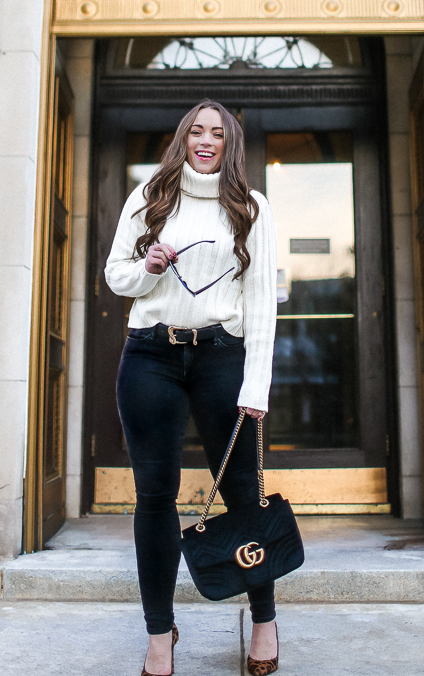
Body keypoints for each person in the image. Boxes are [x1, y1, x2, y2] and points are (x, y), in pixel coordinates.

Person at [105, 98, 279, 676]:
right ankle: (160, 633)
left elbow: (259, 304)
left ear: (231, 144)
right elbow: (117, 276)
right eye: (197, 131)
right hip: (151, 354)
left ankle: (263, 620)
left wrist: (256, 383)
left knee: (242, 492)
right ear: (183, 138)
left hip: (222, 358)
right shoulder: (151, 196)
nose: (207, 140)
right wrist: (149, 266)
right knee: (154, 495)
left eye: (219, 134)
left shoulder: (251, 208)